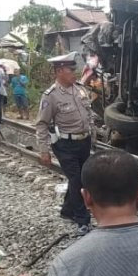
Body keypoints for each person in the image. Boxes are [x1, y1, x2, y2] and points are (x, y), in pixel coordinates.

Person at [35, 52, 94, 233]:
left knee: (79, 179)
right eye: (70, 70)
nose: (74, 73)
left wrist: (93, 137)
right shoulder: (50, 96)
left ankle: (67, 210)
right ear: (60, 71)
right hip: (65, 145)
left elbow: (88, 115)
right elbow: (42, 124)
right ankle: (82, 220)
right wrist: (43, 150)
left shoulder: (79, 89)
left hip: (83, 141)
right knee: (77, 179)